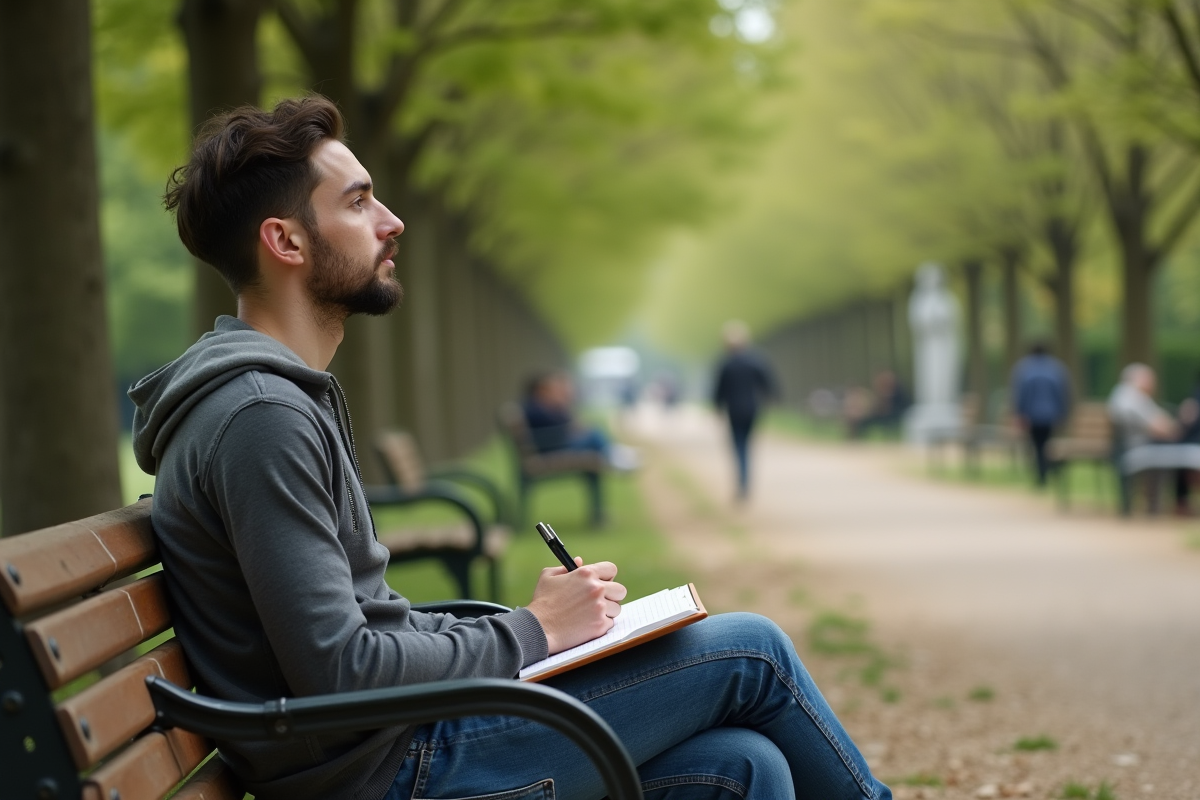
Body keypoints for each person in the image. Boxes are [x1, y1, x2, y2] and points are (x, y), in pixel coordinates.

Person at [130, 97, 891, 800]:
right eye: (359, 202)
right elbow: (341, 670)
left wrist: (526, 632)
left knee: (743, 768)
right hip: (390, 772)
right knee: (751, 650)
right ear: (286, 240)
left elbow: (361, 631)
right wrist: (535, 631)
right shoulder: (262, 417)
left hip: (386, 747)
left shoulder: (270, 400)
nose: (392, 221)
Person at [712, 320, 778, 501]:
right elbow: (768, 383)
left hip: (733, 410)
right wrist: (771, 399)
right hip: (752, 409)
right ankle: (745, 481)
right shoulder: (755, 361)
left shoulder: (725, 363)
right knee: (747, 445)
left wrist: (717, 408)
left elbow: (718, 390)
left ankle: (742, 483)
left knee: (739, 446)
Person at [522, 370, 638, 470]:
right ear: (539, 391)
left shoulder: (535, 407)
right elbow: (564, 424)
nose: (551, 392)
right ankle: (614, 457)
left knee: (593, 432)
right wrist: (561, 406)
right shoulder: (536, 409)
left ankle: (614, 454)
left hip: (553, 445)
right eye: (548, 389)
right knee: (593, 436)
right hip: (552, 449)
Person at [1010, 343, 1072, 487]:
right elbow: (1062, 392)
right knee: (1048, 442)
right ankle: (1049, 469)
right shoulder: (1056, 368)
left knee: (1037, 445)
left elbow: (1021, 393)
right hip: (1051, 414)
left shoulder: (1024, 368)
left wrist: (1019, 413)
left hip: (1032, 414)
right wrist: (1063, 412)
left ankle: (1042, 475)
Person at [848, 369, 911, 440]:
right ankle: (854, 438)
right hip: (883, 415)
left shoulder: (898, 395)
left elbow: (887, 408)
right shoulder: (880, 394)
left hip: (895, 415)